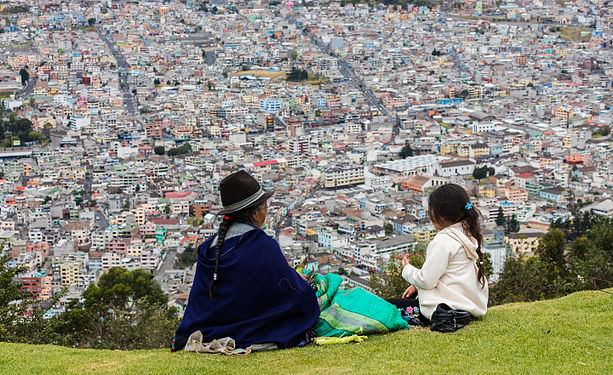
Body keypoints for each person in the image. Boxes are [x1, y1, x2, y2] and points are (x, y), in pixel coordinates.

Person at [172, 171, 320, 351]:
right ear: (256, 213)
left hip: (206, 332)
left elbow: (204, 302)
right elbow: (297, 296)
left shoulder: (208, 248)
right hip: (249, 331)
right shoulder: (263, 246)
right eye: (265, 208)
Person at [389, 183, 488, 325]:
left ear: (439, 214)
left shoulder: (443, 241)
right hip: (464, 304)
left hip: (444, 311)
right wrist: (417, 287)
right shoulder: (466, 233)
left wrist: (407, 269)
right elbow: (449, 274)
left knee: (390, 305)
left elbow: (427, 280)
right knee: (413, 296)